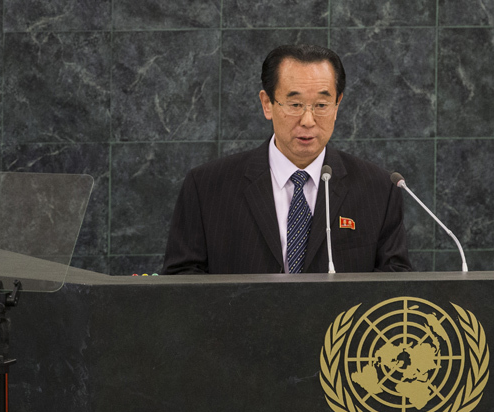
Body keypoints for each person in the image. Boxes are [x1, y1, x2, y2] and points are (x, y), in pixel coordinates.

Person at [162, 44, 411, 274]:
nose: (308, 120)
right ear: (267, 104)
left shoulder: (379, 189)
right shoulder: (206, 187)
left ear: (338, 105)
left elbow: (394, 287)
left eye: (322, 105)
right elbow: (182, 282)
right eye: (294, 104)